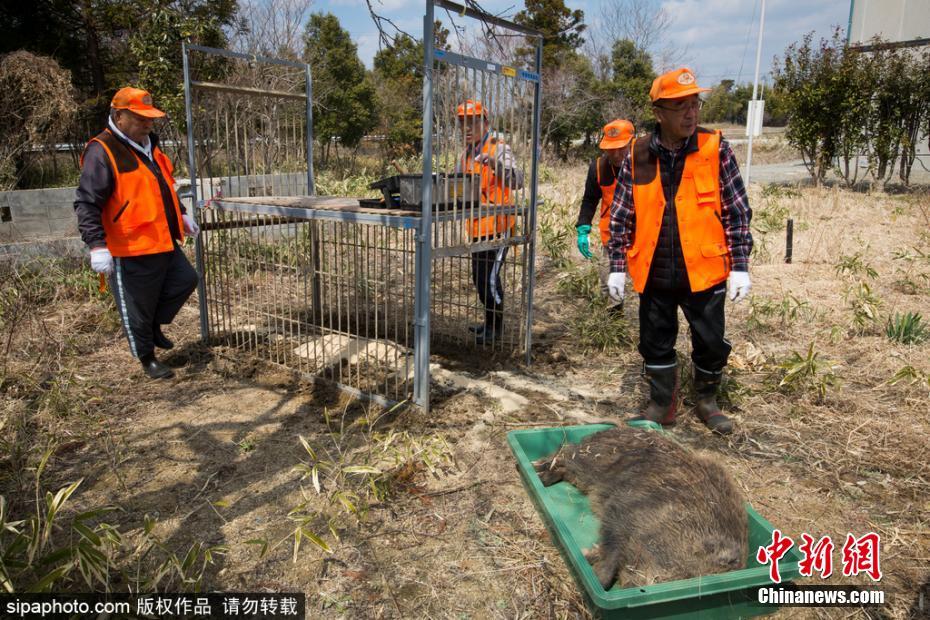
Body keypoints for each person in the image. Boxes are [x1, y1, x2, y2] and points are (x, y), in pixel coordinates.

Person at [606, 68, 753, 435]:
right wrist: (616, 266)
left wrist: (740, 265)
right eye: (680, 106)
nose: (691, 113)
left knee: (710, 341)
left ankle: (706, 401)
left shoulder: (715, 148)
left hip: (703, 269)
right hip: (655, 269)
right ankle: (662, 406)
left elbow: (737, 210)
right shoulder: (637, 154)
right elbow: (622, 213)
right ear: (658, 112)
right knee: (654, 341)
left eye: (695, 104)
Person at [74, 87, 200, 379]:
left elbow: (162, 186)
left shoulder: (149, 146)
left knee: (185, 280)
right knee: (137, 307)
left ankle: (154, 325)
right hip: (129, 244)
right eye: (140, 118)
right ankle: (147, 358)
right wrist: (97, 245)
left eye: (150, 119)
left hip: (161, 239)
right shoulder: (103, 150)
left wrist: (180, 214)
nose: (147, 124)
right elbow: (86, 202)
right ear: (119, 115)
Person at [455, 99, 523, 345]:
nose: (467, 128)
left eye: (473, 122)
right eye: (463, 123)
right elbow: (456, 188)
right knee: (479, 278)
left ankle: (496, 328)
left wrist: (496, 165)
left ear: (485, 123)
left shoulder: (498, 148)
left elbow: (518, 181)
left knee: (489, 279)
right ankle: (489, 323)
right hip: (476, 228)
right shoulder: (465, 154)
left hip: (498, 228)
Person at [575, 119, 635, 310]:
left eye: (621, 148)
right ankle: (613, 327)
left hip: (643, 235)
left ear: (631, 143)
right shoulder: (598, 168)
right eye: (611, 149)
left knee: (648, 286)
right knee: (609, 285)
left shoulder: (646, 165)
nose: (616, 154)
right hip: (612, 236)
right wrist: (583, 227)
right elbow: (590, 199)